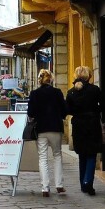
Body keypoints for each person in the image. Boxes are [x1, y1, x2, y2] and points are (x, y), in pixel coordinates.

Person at [27, 69, 68, 197]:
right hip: (55, 127)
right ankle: (59, 185)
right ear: (51, 79)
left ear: (40, 80)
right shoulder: (57, 92)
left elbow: (31, 113)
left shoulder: (35, 94)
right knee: (57, 155)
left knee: (43, 157)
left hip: (41, 129)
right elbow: (64, 110)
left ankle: (45, 187)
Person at [66, 66, 105, 195]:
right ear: (89, 76)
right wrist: (96, 110)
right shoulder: (95, 90)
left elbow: (68, 110)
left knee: (82, 155)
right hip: (92, 124)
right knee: (91, 154)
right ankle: (88, 181)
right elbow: (104, 105)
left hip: (78, 125)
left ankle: (83, 183)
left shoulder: (71, 92)